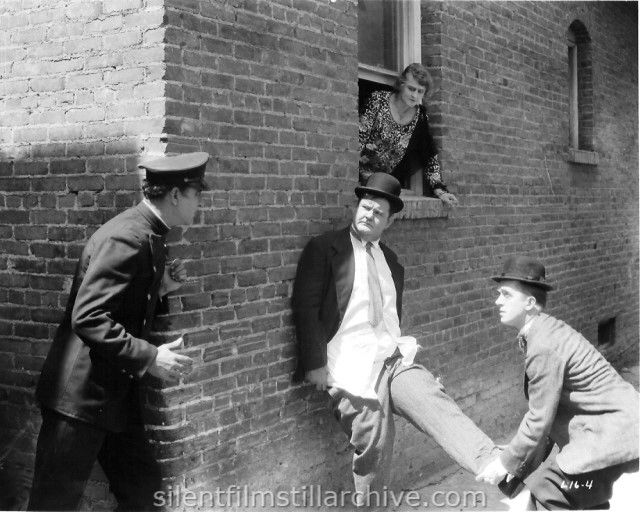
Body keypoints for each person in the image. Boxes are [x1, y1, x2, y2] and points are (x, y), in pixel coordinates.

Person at [291, 172, 498, 505]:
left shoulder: (389, 261)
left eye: (378, 213)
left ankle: (490, 460)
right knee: (374, 434)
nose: (368, 216)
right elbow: (306, 307)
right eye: (365, 207)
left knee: (431, 397)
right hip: (349, 365)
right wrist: (315, 364)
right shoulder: (325, 249)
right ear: (356, 206)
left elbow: (389, 316)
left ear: (388, 222)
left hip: (391, 359)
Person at [28, 152, 211, 511]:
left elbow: (120, 303)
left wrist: (159, 290)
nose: (199, 204)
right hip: (79, 401)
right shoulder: (127, 237)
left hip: (112, 397)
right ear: (175, 195)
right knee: (53, 503)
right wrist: (150, 356)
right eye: (196, 194)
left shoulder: (149, 232)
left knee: (144, 492)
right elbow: (89, 316)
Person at [476, 255, 639, 510]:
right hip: (616, 434)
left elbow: (539, 420)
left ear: (530, 303)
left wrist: (505, 463)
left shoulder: (543, 345)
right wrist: (517, 457)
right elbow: (549, 419)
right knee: (582, 496)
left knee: (548, 490)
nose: (498, 301)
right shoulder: (545, 332)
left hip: (614, 436)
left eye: (506, 295)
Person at [359, 63, 459, 207]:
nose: (414, 95)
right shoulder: (378, 101)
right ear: (401, 84)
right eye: (411, 89)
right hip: (358, 178)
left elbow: (429, 155)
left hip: (384, 184)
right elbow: (359, 138)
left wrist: (440, 191)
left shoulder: (420, 117)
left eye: (420, 91)